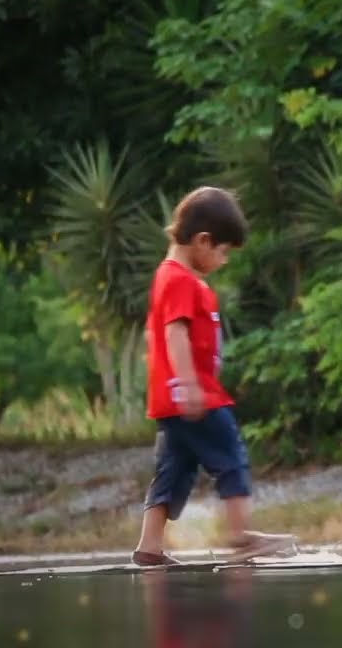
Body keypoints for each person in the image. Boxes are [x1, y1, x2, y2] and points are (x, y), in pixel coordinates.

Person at [132, 186, 290, 567]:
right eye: (223, 251)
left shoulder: (168, 278)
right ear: (202, 240)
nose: (224, 260)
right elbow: (173, 332)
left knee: (173, 470)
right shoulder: (180, 281)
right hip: (196, 396)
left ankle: (149, 547)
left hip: (172, 400)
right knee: (231, 457)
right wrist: (188, 385)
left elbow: (154, 334)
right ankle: (240, 536)